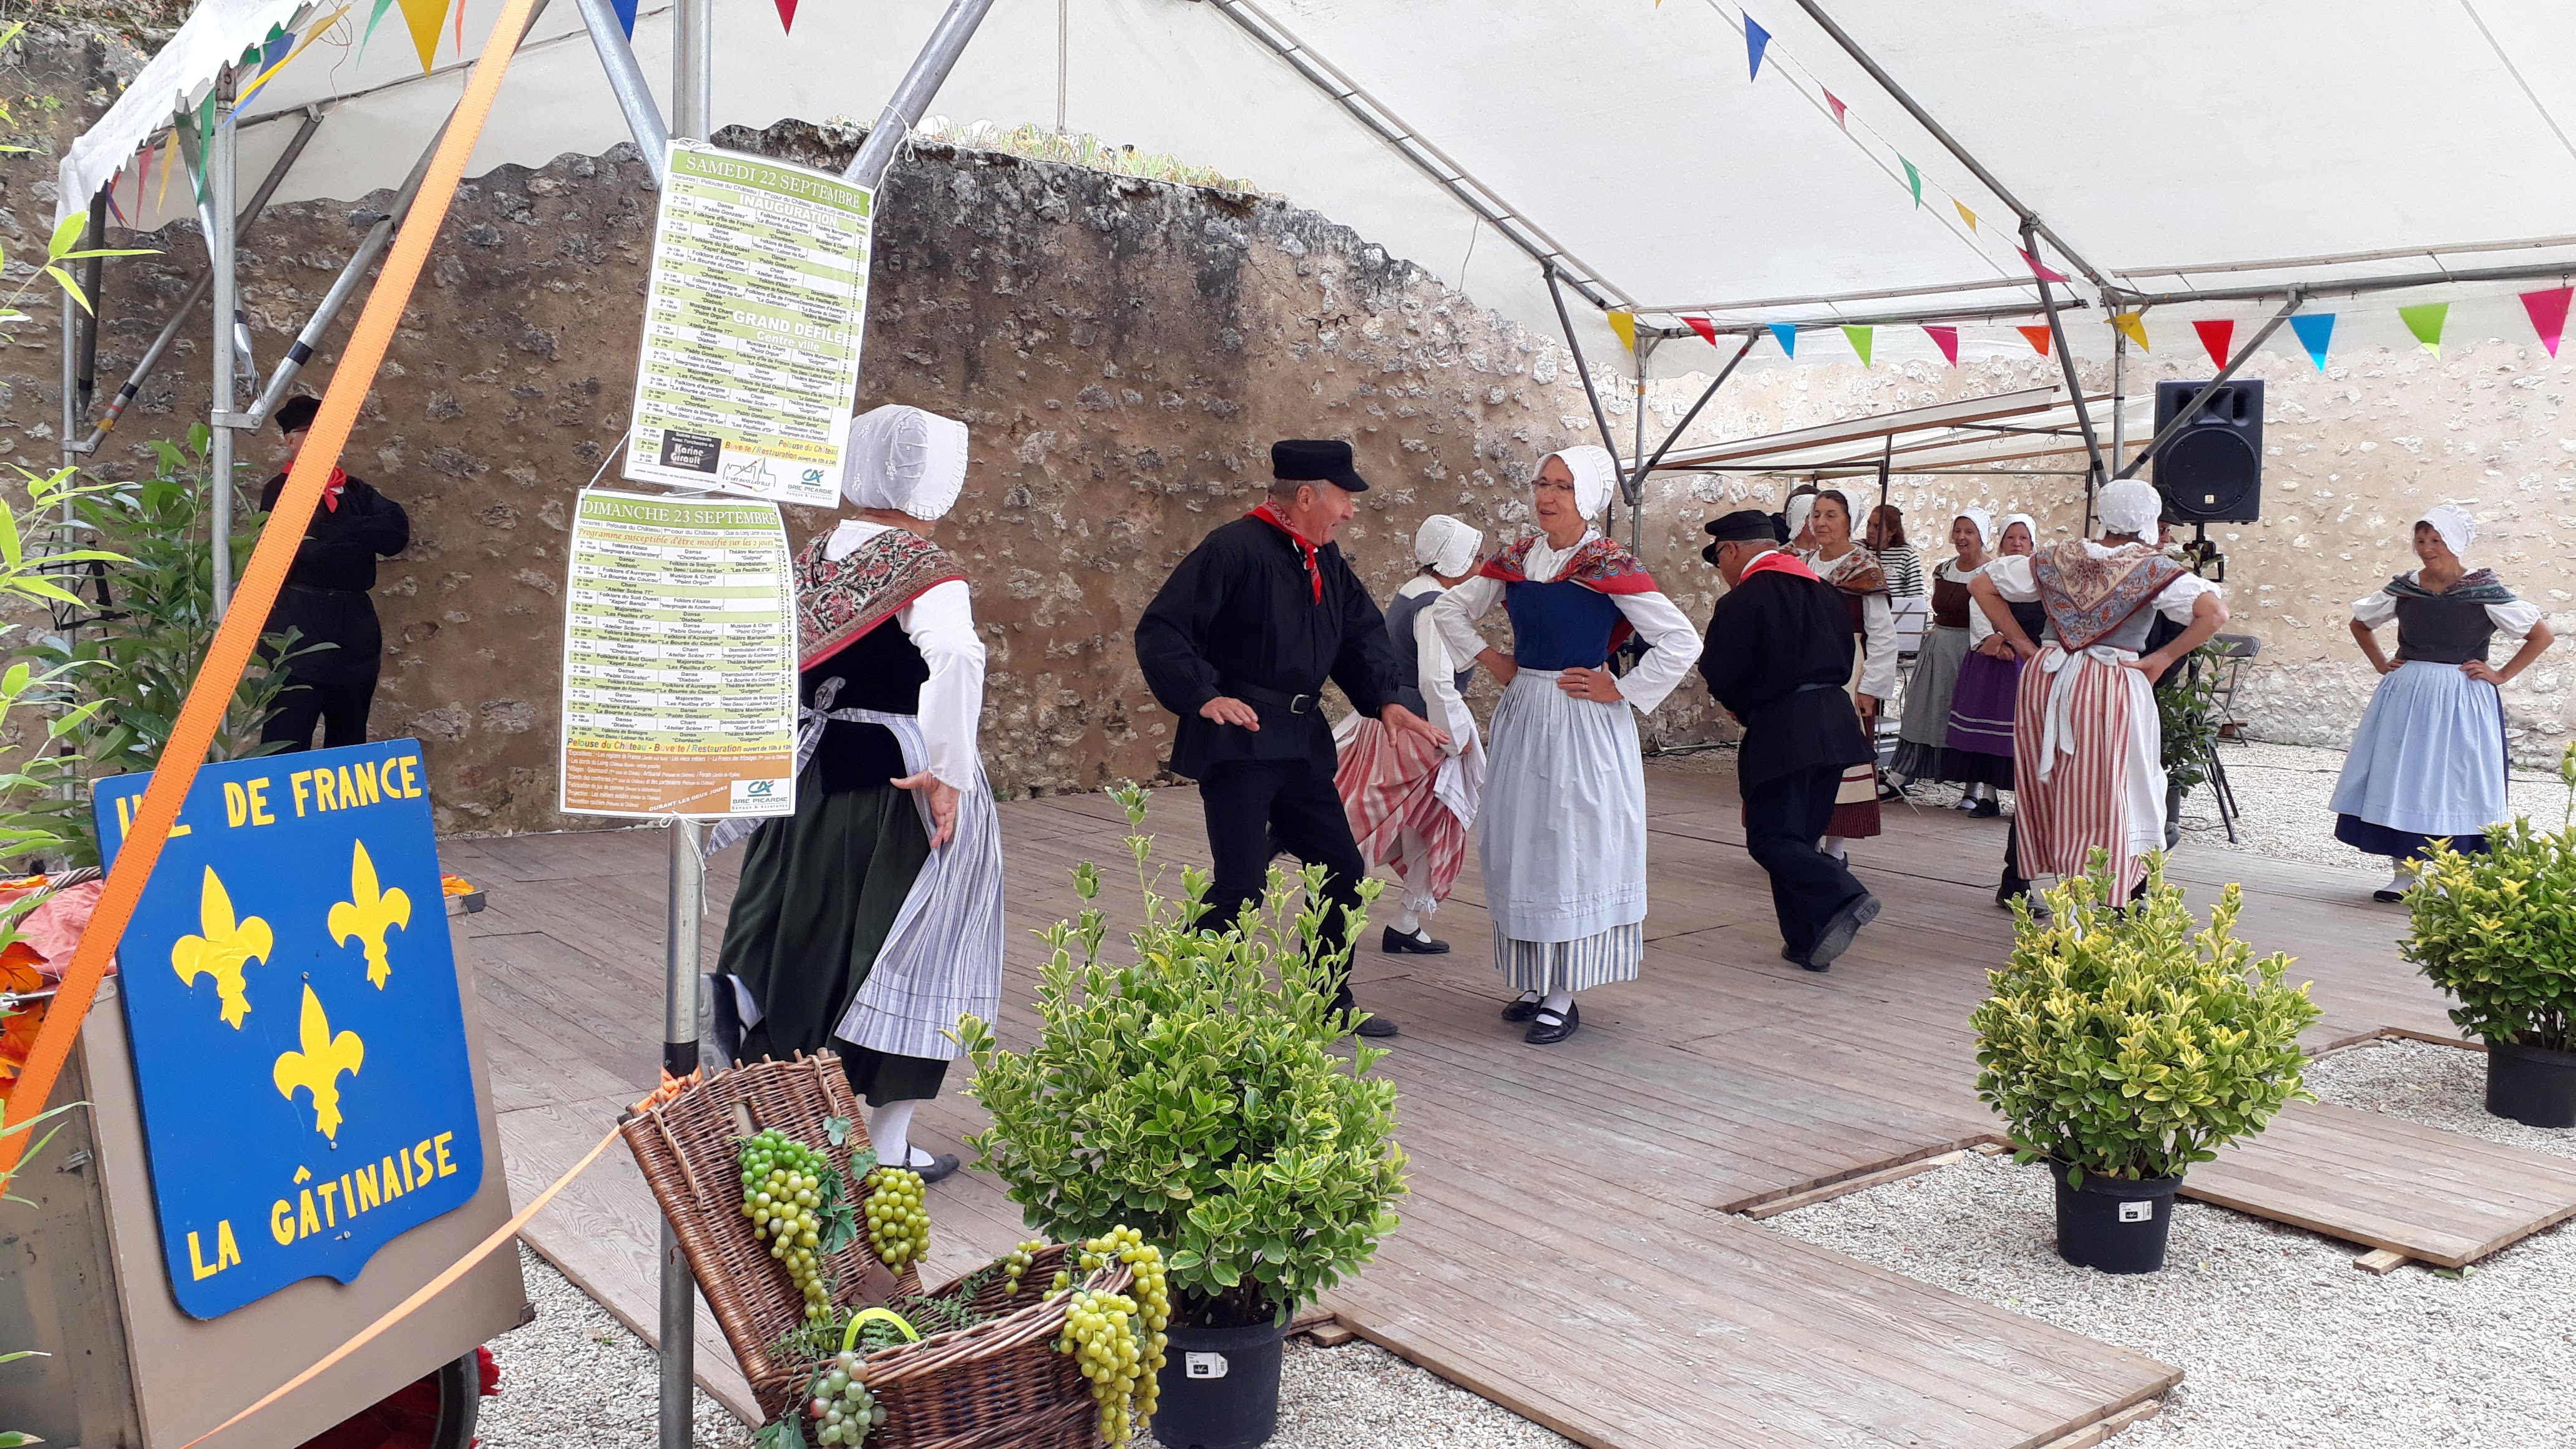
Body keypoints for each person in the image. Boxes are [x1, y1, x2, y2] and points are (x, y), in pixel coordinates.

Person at [710, 404, 1004, 1183]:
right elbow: (957, 657)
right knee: (912, 948)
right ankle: (883, 1144)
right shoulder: (923, 568)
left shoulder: (815, 555)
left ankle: (781, 1102)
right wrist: (948, 773)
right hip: (890, 784)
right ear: (930, 477)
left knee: (794, 932)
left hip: (806, 772)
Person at [1135, 439, 1448, 1040]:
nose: (1350, 512)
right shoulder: (1233, 548)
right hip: (1241, 743)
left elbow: (1359, 634)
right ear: (1306, 496)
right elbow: (1163, 630)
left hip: (1301, 744)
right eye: (1344, 499)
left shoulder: (1324, 558)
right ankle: (1177, 1005)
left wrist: (1386, 698)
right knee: (1240, 884)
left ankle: (1325, 999)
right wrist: (1203, 695)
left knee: (1341, 869)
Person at [1432, 446, 1699, 1045]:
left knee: (1571, 841)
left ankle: (1564, 990)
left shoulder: (1608, 563)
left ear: (1590, 497)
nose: (1547, 496)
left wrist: (1621, 688)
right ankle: (1535, 979)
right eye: (1543, 483)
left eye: (1563, 486)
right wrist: (1493, 659)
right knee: (1522, 838)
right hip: (1526, 708)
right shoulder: (1518, 557)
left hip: (1582, 718)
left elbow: (1681, 640)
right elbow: (1449, 608)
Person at [1969, 479, 2226, 909]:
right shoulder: (2152, 567)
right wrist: (2163, 658)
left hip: (2047, 677)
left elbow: (1981, 585)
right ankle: (2105, 900)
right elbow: (2215, 613)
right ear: (2147, 520)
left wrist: (2021, 642)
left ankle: (2048, 888)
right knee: (2112, 788)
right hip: (2108, 681)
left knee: (2051, 783)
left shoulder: (2057, 557)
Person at [2331, 504, 2554, 902]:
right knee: (2402, 775)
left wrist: (2501, 674)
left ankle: (2455, 879)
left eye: (2436, 540)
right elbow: (2360, 624)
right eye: (2421, 540)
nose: (2427, 548)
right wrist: (2381, 663)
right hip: (2408, 693)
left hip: (2461, 696)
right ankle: (2404, 876)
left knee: (2457, 779)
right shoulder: (2405, 588)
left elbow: (2541, 636)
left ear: (2455, 542)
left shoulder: (2483, 591)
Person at [1697, 510, 1882, 970]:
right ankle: (1808, 940)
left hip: (1784, 727)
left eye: (1719, 558)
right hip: (1835, 723)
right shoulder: (1825, 592)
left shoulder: (1743, 600)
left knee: (1770, 838)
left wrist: (1741, 705)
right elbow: (1847, 656)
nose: (1721, 570)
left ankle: (1845, 893)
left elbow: (1720, 669)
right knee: (1799, 838)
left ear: (1732, 550)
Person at [1333, 514, 1489, 954]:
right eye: (1475, 557)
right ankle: (1334, 911)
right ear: (1455, 560)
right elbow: (1435, 681)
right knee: (1387, 822)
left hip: (1397, 723)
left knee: (1425, 819)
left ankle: (1403, 922)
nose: (1480, 566)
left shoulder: (1415, 592)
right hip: (1419, 733)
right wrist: (1455, 738)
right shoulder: (1436, 606)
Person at [258, 394, 410, 751]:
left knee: (350, 740)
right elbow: (314, 551)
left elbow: (396, 533)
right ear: (291, 441)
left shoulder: (355, 489)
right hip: (301, 626)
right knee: (287, 738)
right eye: (310, 433)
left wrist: (343, 529)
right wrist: (362, 533)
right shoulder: (280, 490)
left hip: (355, 631)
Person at [1795, 490, 1896, 856]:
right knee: (1801, 751)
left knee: (1839, 754)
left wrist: (1870, 687)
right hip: (1800, 668)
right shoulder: (1799, 564)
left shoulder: (1864, 569)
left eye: (1831, 515)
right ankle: (1803, 840)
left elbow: (1882, 634)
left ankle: (1835, 848)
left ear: (1850, 521)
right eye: (1816, 515)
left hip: (1846, 670)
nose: (1821, 522)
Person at [1941, 512, 2038, 817]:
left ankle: (2027, 802)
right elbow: (1979, 605)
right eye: (2011, 537)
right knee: (1987, 733)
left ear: (2032, 543)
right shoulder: (1991, 572)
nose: (2017, 543)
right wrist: (1992, 639)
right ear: (2001, 542)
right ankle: (1989, 795)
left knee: (2022, 733)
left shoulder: (2039, 576)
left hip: (2024, 662)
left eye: (2023, 538)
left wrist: (2010, 640)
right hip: (1991, 660)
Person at [1888, 509, 1989, 793]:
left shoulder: (1991, 572)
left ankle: (1972, 788)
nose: (1961, 537)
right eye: (1958, 531)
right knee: (1922, 709)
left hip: (1969, 649)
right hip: (1939, 645)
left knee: (1965, 714)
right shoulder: (1944, 569)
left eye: (1969, 532)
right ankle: (1902, 774)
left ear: (1982, 536)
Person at [1865, 504, 1925, 602]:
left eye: (1877, 527)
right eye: (1869, 524)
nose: (1870, 530)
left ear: (1891, 532)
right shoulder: (1861, 549)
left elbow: (1915, 597)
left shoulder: (1907, 555)